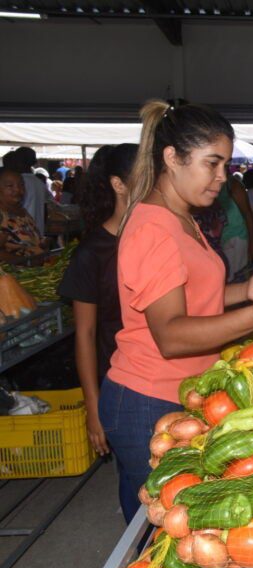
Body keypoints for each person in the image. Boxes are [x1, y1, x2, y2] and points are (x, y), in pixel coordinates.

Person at [103, 100, 253, 523]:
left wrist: (248, 289)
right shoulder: (153, 227)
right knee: (157, 530)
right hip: (147, 398)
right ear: (172, 158)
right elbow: (171, 334)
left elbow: (190, 296)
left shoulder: (181, 217)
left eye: (225, 164)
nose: (223, 177)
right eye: (213, 163)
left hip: (183, 390)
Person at [58, 143, 137, 457]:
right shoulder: (93, 252)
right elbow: (85, 335)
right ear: (119, 185)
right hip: (118, 382)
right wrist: (93, 408)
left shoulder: (159, 239)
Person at [218, 173, 253, 281]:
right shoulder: (215, 185)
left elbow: (248, 214)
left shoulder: (233, 185)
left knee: (234, 278)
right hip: (223, 238)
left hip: (237, 236)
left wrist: (252, 245)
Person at [0, 167, 46, 260]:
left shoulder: (22, 212)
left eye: (21, 185)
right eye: (10, 186)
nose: (18, 190)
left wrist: (44, 242)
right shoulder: (2, 217)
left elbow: (31, 240)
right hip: (14, 273)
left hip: (37, 271)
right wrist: (26, 262)